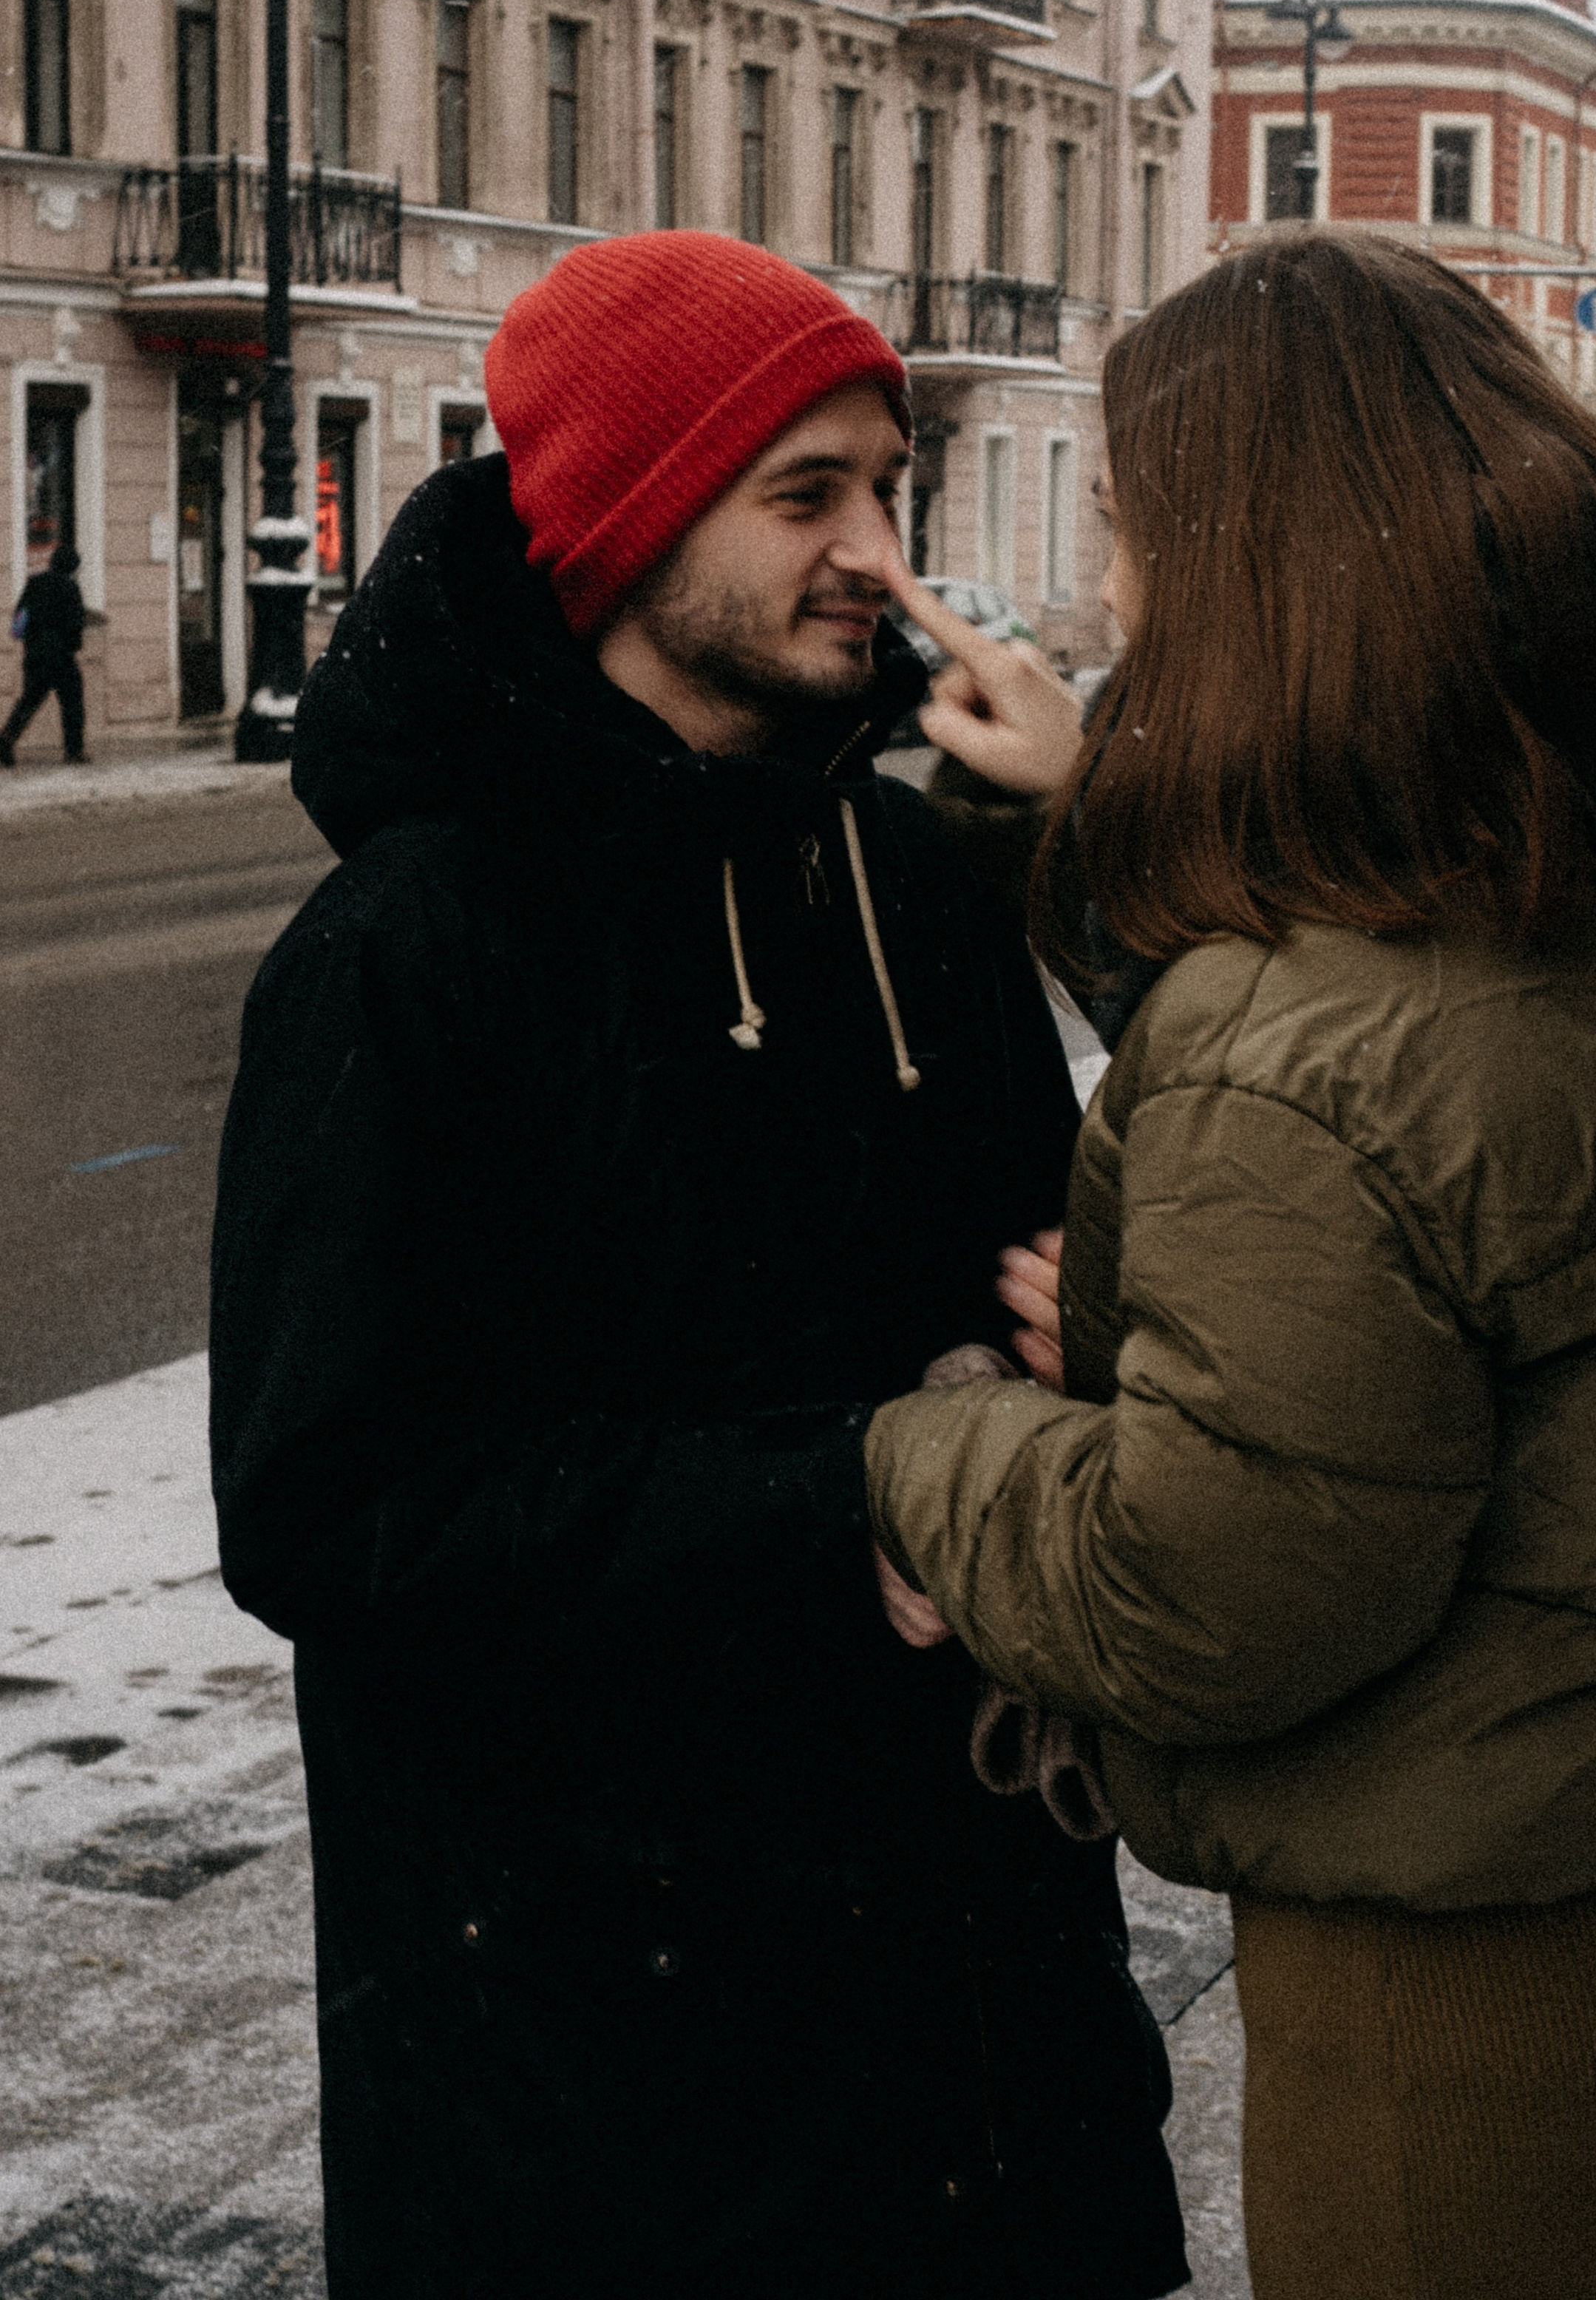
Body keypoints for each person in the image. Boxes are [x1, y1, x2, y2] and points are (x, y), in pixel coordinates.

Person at [865, 227, 1596, 2300]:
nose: (1120, 589)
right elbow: (1406, 1073)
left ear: (1252, 570)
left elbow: (1210, 1587)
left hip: (1470, 1954)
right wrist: (1084, 812)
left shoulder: (1309, 1060)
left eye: (1141, 536)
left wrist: (915, 1452)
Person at [208, 232, 1185, 2300]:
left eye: (887, 492)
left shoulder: (909, 874)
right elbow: (332, 1507)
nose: (877, 554)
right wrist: (852, 1485)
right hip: (600, 2078)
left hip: (976, 2024)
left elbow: (1037, 1275)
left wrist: (1078, 1342)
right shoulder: (414, 941)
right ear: (632, 518)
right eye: (804, 493)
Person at [1, 538, 87, 764]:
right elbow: (75, 623)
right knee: (72, 702)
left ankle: (6, 740)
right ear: (72, 567)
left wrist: (28, 640)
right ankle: (74, 751)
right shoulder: (70, 588)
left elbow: (20, 616)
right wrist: (73, 645)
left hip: (35, 653)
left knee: (30, 699)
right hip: (61, 656)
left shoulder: (34, 583)